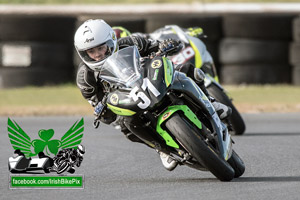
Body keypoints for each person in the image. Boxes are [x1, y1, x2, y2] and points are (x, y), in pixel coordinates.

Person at [74, 19, 231, 171]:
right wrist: (101, 110)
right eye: (91, 52)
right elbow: (96, 104)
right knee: (126, 126)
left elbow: (156, 47)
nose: (98, 55)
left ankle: (210, 102)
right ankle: (161, 148)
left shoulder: (131, 42)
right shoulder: (85, 77)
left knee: (188, 71)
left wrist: (167, 45)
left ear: (111, 40)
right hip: (127, 99)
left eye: (101, 48)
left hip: (150, 78)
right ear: (83, 54)